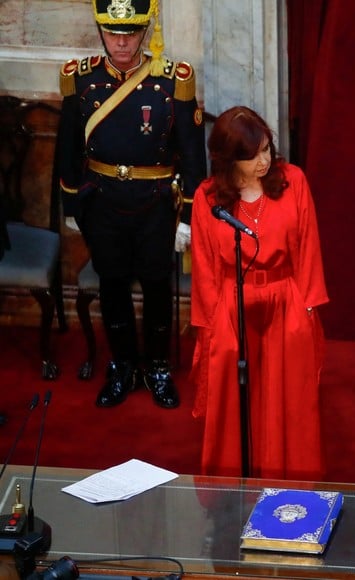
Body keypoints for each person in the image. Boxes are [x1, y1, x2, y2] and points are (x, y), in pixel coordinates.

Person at [56, 0, 206, 408]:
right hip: (102, 202)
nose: (121, 43)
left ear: (146, 30)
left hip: (156, 206)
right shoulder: (82, 79)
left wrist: (189, 216)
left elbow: (193, 155)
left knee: (158, 286)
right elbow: (68, 146)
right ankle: (122, 365)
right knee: (113, 284)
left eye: (131, 33)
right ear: (101, 30)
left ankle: (157, 366)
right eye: (113, 33)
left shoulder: (174, 80)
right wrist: (71, 204)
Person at [189, 106, 329, 480]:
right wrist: (210, 329)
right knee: (236, 403)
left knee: (290, 403)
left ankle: (290, 493)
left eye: (267, 149)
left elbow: (308, 246)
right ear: (228, 158)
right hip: (233, 308)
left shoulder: (293, 181)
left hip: (286, 303)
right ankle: (235, 497)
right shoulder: (207, 198)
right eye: (252, 156)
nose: (264, 161)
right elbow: (204, 267)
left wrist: (308, 307)